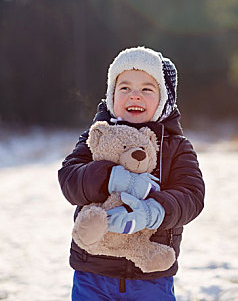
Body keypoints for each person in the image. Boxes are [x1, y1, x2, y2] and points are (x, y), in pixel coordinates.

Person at [58, 46, 205, 300]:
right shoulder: (96, 137)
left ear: (163, 100)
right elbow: (70, 178)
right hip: (93, 270)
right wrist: (109, 178)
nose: (134, 95)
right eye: (124, 88)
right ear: (112, 95)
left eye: (146, 89)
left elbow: (192, 195)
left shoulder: (175, 146)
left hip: (150, 274)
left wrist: (154, 211)